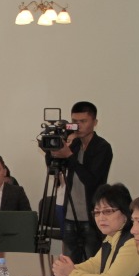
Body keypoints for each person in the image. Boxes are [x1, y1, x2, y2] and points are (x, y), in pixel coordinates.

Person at [47, 101, 112, 263]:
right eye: (74, 121)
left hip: (92, 216)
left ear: (95, 122)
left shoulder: (102, 147)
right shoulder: (74, 144)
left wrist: (69, 155)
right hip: (70, 214)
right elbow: (54, 168)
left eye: (83, 121)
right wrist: (51, 150)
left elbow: (91, 180)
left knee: (92, 263)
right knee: (69, 264)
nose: (78, 125)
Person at [49, 183, 139, 276]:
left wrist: (71, 274)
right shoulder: (111, 238)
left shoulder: (133, 243)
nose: (101, 218)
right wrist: (67, 268)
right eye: (97, 212)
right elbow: (95, 265)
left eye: (108, 211)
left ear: (125, 214)